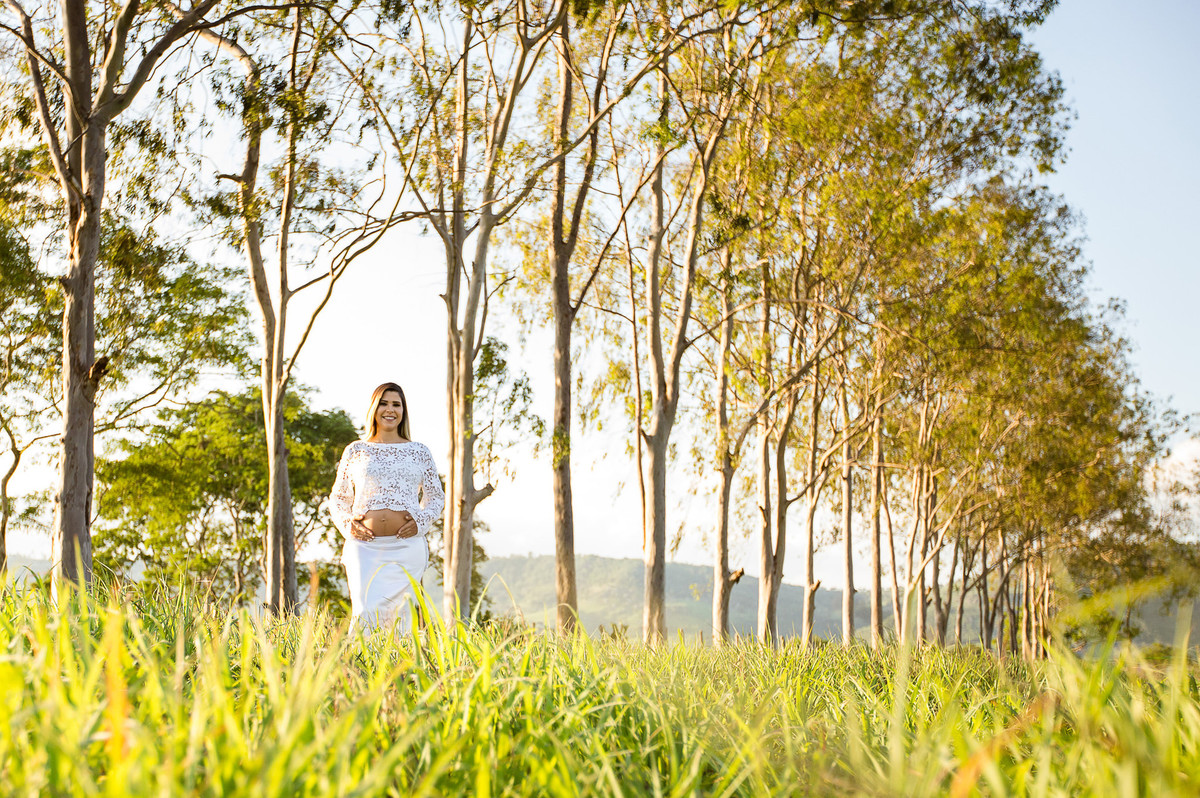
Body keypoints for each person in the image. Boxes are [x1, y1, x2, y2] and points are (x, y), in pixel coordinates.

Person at [329, 382, 444, 633]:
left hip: (407, 548)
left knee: (402, 617)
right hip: (364, 549)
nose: (389, 410)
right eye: (383, 403)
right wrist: (349, 525)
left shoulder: (419, 452)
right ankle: (361, 671)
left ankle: (404, 671)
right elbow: (338, 498)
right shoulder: (356, 450)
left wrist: (420, 522)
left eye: (396, 404)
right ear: (374, 408)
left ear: (403, 410)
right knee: (365, 614)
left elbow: (436, 497)